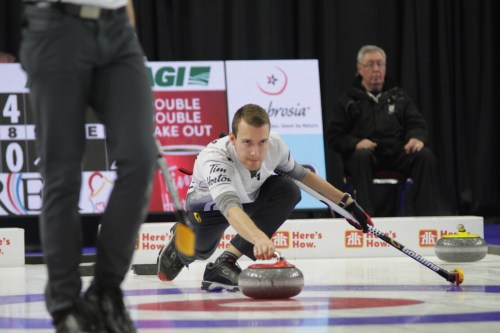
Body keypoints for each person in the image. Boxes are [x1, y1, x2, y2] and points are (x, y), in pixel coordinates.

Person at [20, 1, 157, 332]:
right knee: (62, 174)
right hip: (56, 25)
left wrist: (128, 30)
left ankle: (105, 289)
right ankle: (65, 304)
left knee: (141, 160)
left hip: (118, 28)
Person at [157, 103, 374, 291]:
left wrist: (348, 203)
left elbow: (304, 176)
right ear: (232, 139)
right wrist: (259, 238)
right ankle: (178, 244)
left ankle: (226, 261)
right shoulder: (215, 159)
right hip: (211, 210)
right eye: (247, 142)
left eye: (262, 142)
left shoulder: (275, 145)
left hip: (249, 199)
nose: (256, 152)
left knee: (288, 189)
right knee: (199, 252)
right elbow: (231, 210)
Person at [328, 44, 441, 217]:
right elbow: (335, 137)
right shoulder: (348, 100)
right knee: (360, 156)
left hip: (396, 153)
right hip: (366, 158)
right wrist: (356, 143)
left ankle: (426, 216)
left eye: (380, 64)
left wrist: (416, 137)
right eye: (370, 64)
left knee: (425, 156)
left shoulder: (399, 96)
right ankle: (366, 217)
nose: (376, 69)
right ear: (360, 68)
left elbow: (416, 124)